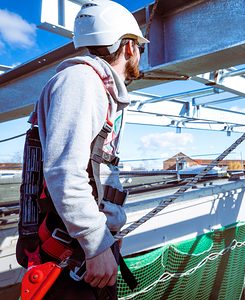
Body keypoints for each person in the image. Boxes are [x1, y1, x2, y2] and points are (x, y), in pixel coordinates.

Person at [17, 1, 148, 299]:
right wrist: (96, 241)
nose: (139, 54)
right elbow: (65, 171)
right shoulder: (82, 81)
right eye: (139, 46)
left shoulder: (92, 86)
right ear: (128, 47)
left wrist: (105, 234)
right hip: (71, 261)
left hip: (80, 254)